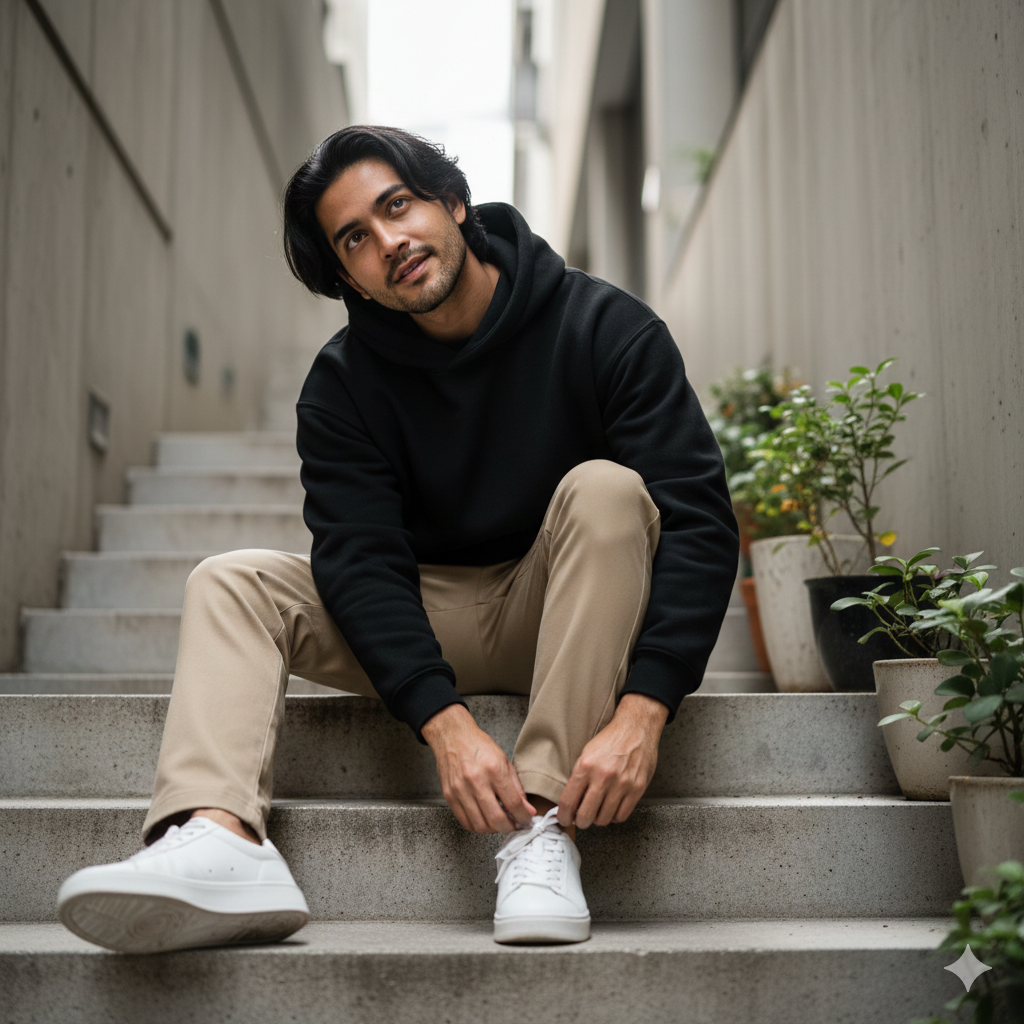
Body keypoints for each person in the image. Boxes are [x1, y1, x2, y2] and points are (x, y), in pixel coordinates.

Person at [56, 125, 739, 953]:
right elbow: (360, 559)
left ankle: (540, 827)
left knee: (609, 490)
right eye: (356, 238)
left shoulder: (604, 326)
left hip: (571, 606)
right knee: (232, 578)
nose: (391, 242)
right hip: (430, 610)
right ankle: (221, 834)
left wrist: (643, 712)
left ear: (451, 202)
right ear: (350, 279)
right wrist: (445, 723)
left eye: (397, 206)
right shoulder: (343, 386)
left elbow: (698, 520)